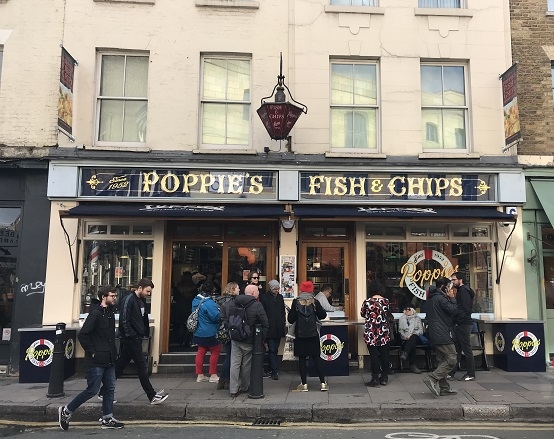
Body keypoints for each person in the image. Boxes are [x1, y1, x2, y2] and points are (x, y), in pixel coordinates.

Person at [58, 286, 123, 430]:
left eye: (115, 296)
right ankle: (66, 411)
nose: (115, 298)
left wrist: (114, 353)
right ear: (103, 297)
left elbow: (109, 337)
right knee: (92, 390)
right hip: (96, 360)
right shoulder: (95, 314)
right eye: (112, 296)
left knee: (110, 388)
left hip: (109, 358)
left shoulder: (110, 313)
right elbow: (83, 335)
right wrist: (93, 352)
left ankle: (107, 418)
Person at [112, 278, 168, 404]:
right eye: (148, 291)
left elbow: (142, 318)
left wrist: (144, 333)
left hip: (136, 337)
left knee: (120, 365)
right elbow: (124, 319)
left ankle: (104, 392)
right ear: (140, 288)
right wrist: (130, 335)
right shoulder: (129, 299)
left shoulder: (141, 300)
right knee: (142, 366)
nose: (149, 294)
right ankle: (151, 395)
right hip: (131, 338)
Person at [221, 283, 269, 397]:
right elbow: (265, 322)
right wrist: (263, 338)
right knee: (246, 364)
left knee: (235, 363)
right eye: (257, 291)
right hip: (249, 338)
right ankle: (244, 386)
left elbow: (228, 319)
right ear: (253, 293)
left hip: (235, 337)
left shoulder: (234, 302)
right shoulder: (257, 305)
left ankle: (233, 389)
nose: (258, 293)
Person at [287, 281, 328, 392]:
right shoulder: (315, 301)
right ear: (311, 290)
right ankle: (323, 383)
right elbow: (323, 315)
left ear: (301, 289)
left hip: (300, 335)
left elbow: (290, 319)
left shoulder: (296, 302)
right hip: (313, 334)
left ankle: (304, 384)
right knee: (316, 358)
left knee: (302, 359)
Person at [422, 276, 459, 397]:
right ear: (443, 286)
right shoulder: (441, 299)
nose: (450, 289)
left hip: (434, 332)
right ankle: (432, 378)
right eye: (448, 286)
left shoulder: (432, 298)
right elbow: (453, 310)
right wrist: (452, 298)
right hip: (442, 333)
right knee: (452, 359)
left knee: (442, 360)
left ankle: (444, 388)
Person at [360, 280, 393, 387]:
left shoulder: (367, 302)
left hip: (371, 332)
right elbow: (388, 313)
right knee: (384, 354)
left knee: (373, 355)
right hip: (383, 331)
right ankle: (384, 377)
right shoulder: (386, 301)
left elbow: (363, 314)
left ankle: (374, 378)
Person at [192, 281, 222, 383]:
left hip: (199, 331)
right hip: (210, 332)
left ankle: (200, 375)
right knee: (215, 351)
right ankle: (213, 374)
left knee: (201, 351)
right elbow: (216, 317)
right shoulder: (209, 303)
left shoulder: (195, 301)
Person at [449, 271, 476, 382]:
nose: (452, 281)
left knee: (466, 349)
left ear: (460, 280)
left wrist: (458, 321)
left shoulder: (463, 291)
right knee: (458, 349)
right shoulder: (462, 290)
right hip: (462, 323)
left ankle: (471, 373)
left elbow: (465, 309)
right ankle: (451, 373)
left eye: (454, 279)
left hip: (463, 324)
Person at [214, 282, 240, 390]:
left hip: (224, 331)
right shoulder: (232, 302)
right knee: (230, 357)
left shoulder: (221, 301)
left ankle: (222, 381)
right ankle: (225, 380)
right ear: (233, 289)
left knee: (228, 355)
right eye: (238, 288)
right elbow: (233, 318)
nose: (239, 290)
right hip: (231, 331)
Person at [259, 279, 286, 380]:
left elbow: (282, 311)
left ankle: (272, 368)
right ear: (270, 288)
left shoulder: (280, 297)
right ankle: (274, 371)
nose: (277, 290)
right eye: (275, 289)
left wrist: (282, 321)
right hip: (269, 328)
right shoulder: (264, 298)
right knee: (272, 349)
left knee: (275, 349)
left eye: (278, 288)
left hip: (278, 327)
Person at [398, 306, 424, 374]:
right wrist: (406, 336)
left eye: (409, 309)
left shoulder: (417, 318)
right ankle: (412, 365)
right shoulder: (402, 319)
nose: (407, 311)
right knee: (413, 345)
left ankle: (405, 353)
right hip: (405, 339)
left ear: (412, 310)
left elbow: (420, 331)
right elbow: (400, 331)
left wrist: (411, 335)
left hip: (416, 337)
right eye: (406, 309)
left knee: (414, 336)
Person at [173, 271, 196, 347]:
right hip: (190, 307)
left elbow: (175, 298)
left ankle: (180, 341)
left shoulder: (178, 287)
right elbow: (196, 298)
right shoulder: (193, 287)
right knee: (189, 325)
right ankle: (187, 341)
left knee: (181, 325)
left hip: (180, 307)